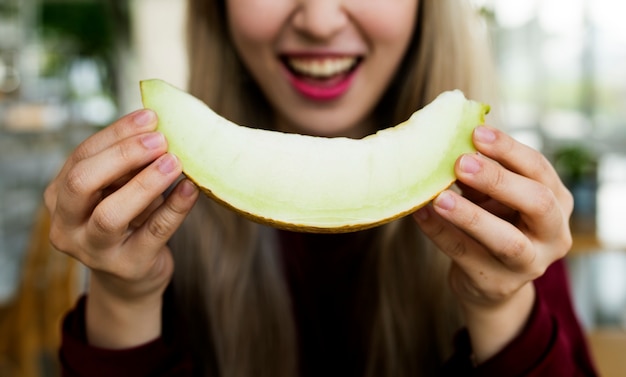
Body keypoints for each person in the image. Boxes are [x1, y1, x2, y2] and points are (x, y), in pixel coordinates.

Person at [44, 0, 598, 376]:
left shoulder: (501, 216)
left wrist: (498, 305)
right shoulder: (153, 217)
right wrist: (124, 298)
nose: (319, 19)